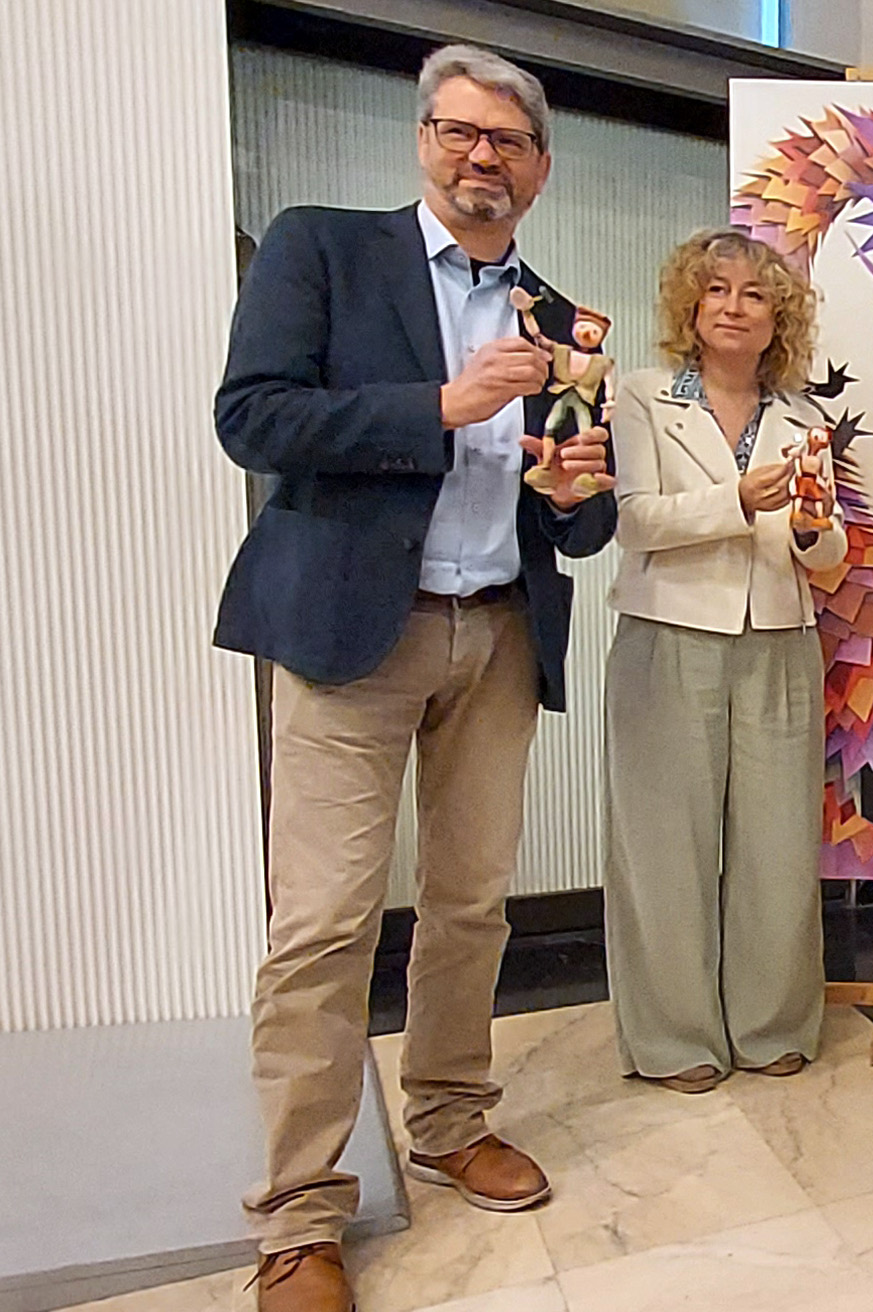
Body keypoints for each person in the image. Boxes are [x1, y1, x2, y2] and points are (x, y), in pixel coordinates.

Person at [213, 46, 616, 1312]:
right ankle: (298, 1212)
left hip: (496, 632)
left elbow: (584, 523)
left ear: (539, 171)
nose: (481, 154)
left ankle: (448, 1118)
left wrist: (577, 490)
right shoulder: (324, 247)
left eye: (508, 140)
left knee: (470, 903)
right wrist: (440, 403)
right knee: (324, 924)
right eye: (459, 130)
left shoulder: (562, 317)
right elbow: (252, 418)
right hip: (351, 632)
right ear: (425, 140)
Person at [602, 229, 845, 1094]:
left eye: (754, 293)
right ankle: (674, 1039)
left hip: (780, 637)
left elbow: (828, 558)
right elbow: (634, 521)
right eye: (717, 290)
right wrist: (737, 499)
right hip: (668, 635)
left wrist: (812, 530)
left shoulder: (804, 418)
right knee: (663, 845)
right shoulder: (641, 396)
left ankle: (772, 1024)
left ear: (779, 315)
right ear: (691, 306)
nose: (734, 307)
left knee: (778, 843)